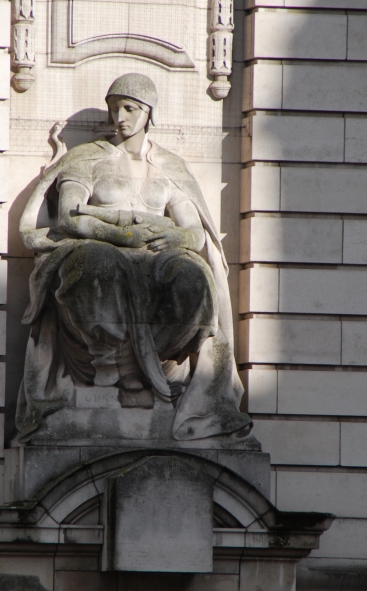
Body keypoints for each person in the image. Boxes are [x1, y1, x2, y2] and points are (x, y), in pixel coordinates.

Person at [16, 73, 252, 441]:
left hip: (156, 258)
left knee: (192, 278)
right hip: (99, 250)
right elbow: (68, 216)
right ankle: (109, 370)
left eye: (129, 109)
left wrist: (174, 234)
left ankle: (153, 373)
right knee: (97, 265)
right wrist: (124, 231)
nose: (120, 117)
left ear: (148, 113)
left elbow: (193, 232)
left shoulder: (168, 166)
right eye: (114, 109)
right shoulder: (88, 158)